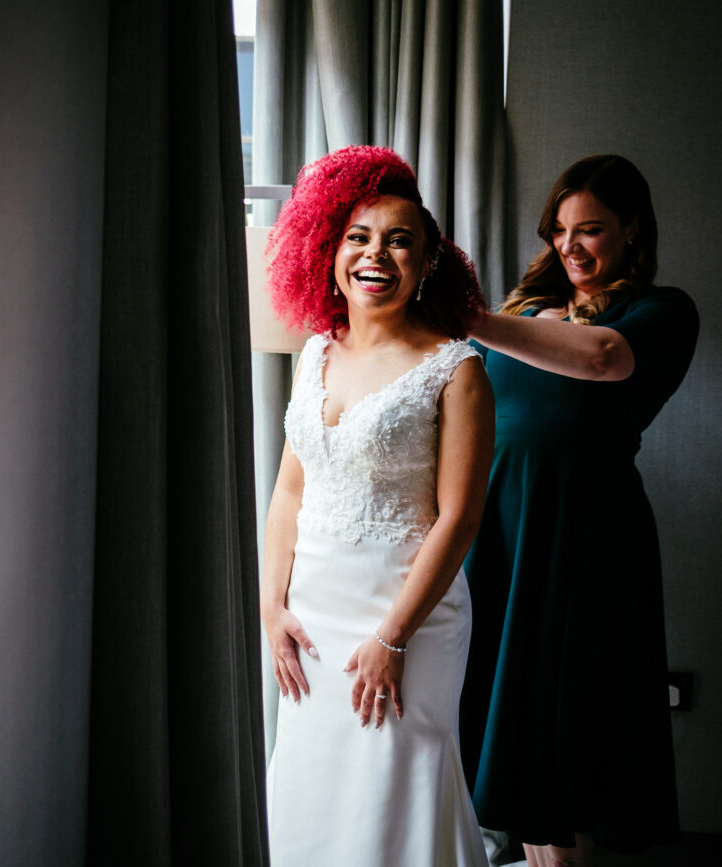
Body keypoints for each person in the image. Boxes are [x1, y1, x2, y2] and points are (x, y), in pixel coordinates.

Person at [459, 155, 699, 867]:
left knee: (570, 723)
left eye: (589, 229)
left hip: (584, 532)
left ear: (631, 228)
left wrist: (470, 319)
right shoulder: (519, 311)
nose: (570, 245)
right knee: (513, 719)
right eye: (559, 230)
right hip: (499, 529)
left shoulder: (660, 312)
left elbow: (600, 360)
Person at [260, 145, 493, 866]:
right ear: (331, 252)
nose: (376, 254)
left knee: (395, 781)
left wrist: (392, 638)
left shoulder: (456, 369)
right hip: (313, 616)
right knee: (313, 784)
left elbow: (460, 519)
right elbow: (291, 489)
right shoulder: (315, 354)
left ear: (427, 261)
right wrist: (271, 606)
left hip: (408, 617)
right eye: (358, 237)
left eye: (399, 241)